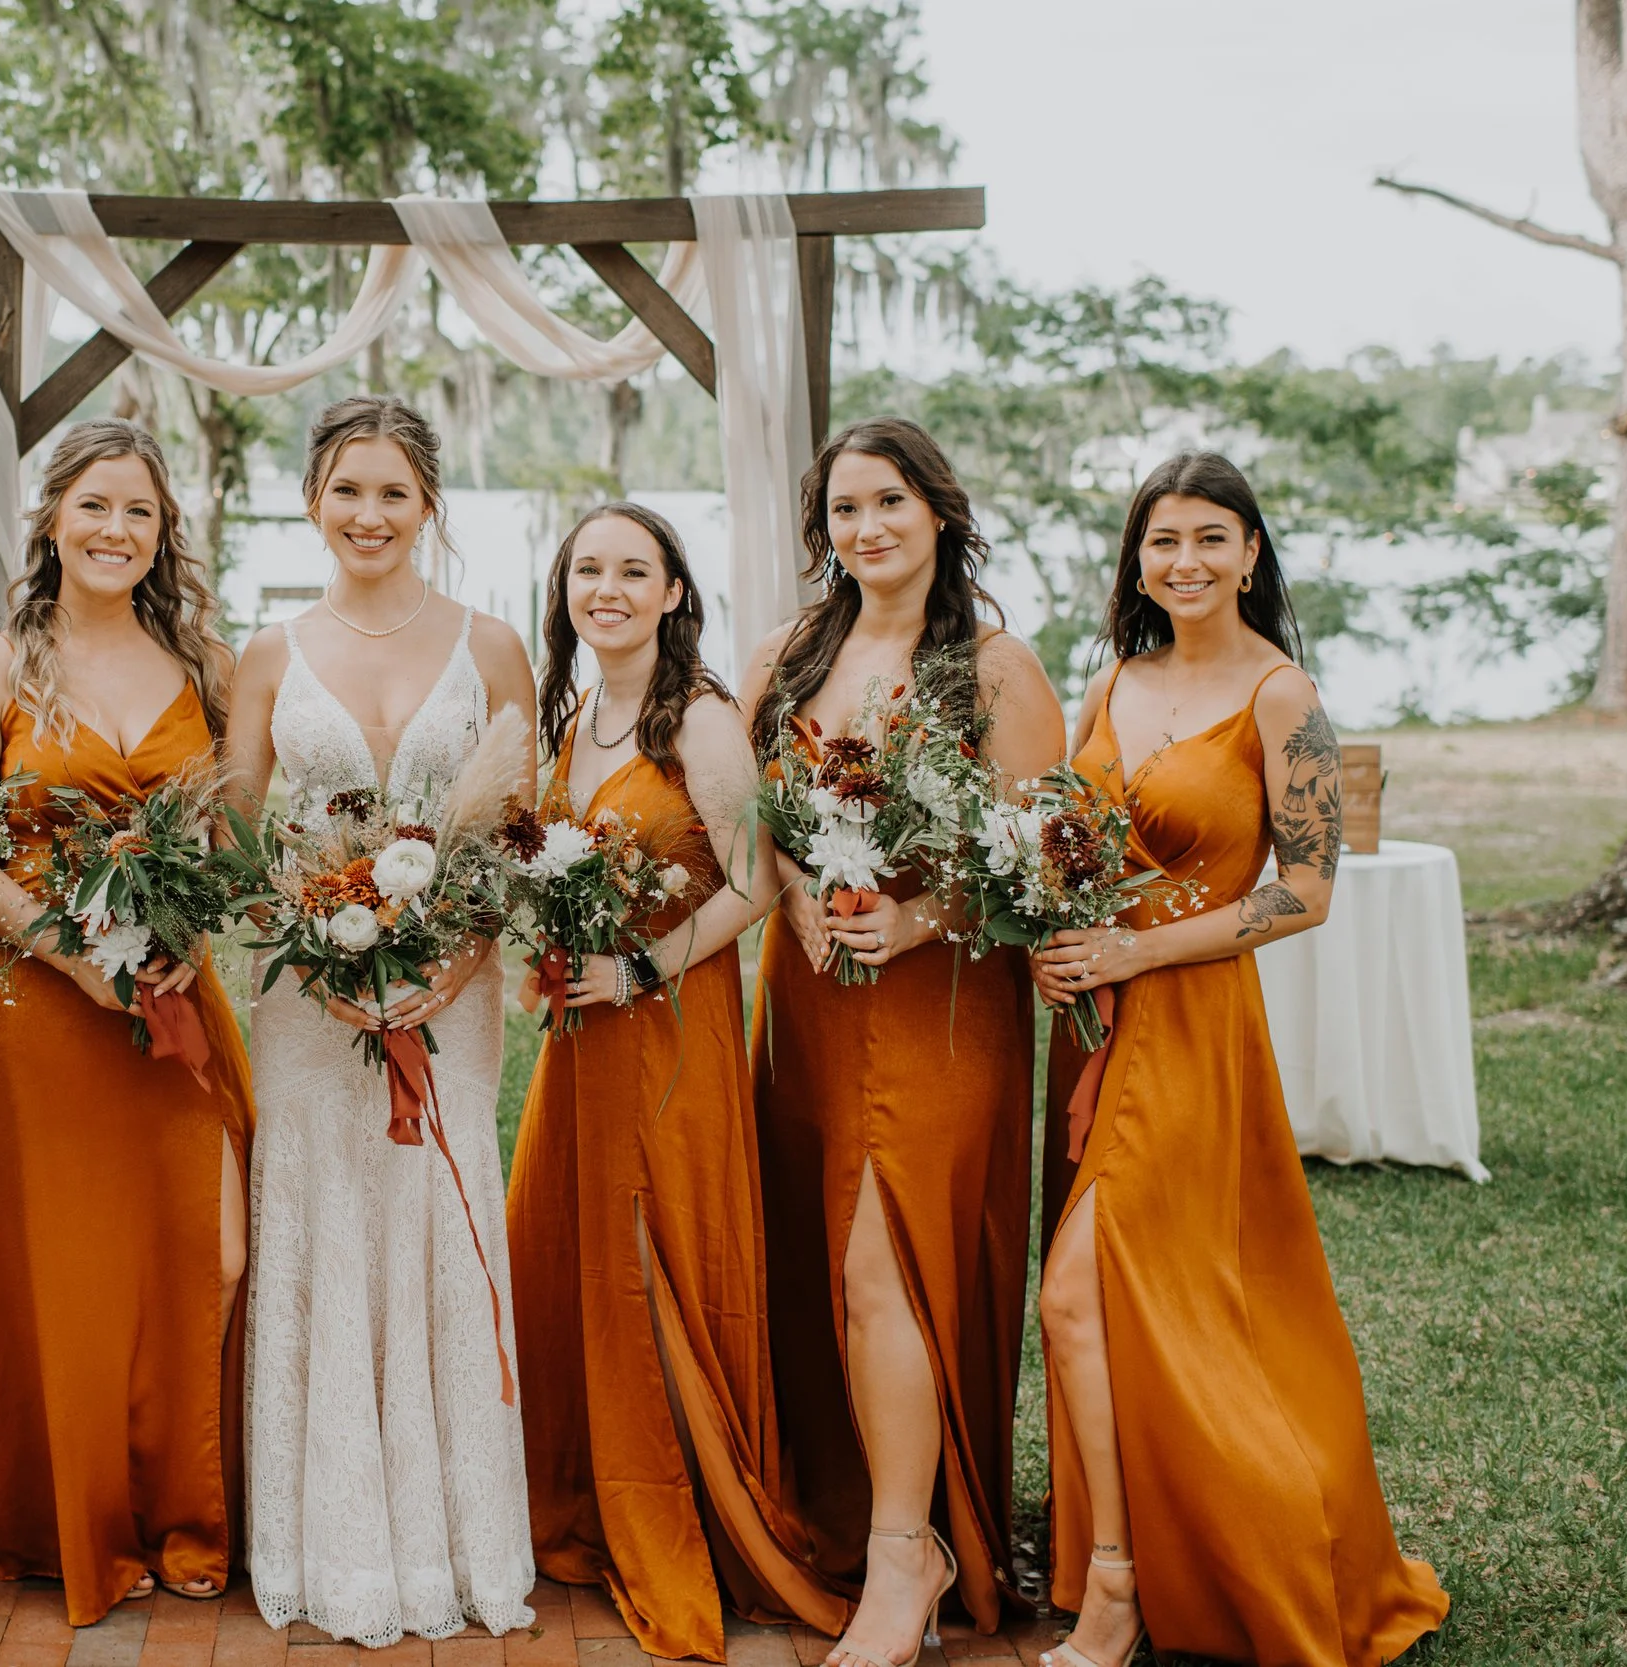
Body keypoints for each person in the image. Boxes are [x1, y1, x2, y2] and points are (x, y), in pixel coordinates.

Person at [1028, 453, 1449, 1667]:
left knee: (1074, 1291)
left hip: (1194, 1025)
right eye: (1163, 540)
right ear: (1137, 559)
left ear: (1252, 553)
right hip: (1096, 1022)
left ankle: (1115, 1586)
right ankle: (1164, 1542)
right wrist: (1059, 936)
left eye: (1212, 537)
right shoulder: (1115, 676)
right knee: (1138, 1301)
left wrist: (1135, 951)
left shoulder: (1280, 695)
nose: (1187, 561)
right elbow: (1068, 839)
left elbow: (1309, 891)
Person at [745, 418, 1065, 1666]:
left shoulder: (993, 667)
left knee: (891, 1260)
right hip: (815, 993)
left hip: (940, 1005)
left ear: (938, 508)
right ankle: (864, 1506)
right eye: (842, 511)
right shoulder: (783, 654)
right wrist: (795, 904)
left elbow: (1036, 860)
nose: (865, 528)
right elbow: (754, 818)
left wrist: (919, 917)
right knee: (827, 1257)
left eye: (887, 502)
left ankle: (905, 1556)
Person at [506, 504, 849, 1661]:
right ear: (565, 591)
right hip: (583, 1036)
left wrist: (640, 963)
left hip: (667, 1031)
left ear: (671, 593)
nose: (605, 587)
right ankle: (592, 1494)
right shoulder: (580, 715)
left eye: (631, 570)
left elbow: (753, 881)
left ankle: (678, 1500)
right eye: (586, 569)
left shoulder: (696, 719)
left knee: (660, 1257)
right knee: (576, 1253)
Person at [0, 420, 254, 1625]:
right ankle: (86, 1520)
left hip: (171, 998)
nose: (117, 531)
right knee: (73, 1272)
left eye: (141, 513)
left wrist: (193, 927)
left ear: (164, 534)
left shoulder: (202, 664)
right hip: (40, 1001)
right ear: (52, 518)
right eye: (97, 506)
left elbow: (227, 832)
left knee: (208, 1252)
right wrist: (69, 953)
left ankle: (190, 1503)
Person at [225, 395, 539, 1647]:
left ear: (428, 507)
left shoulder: (492, 645)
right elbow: (242, 843)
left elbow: (519, 837)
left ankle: (459, 1537)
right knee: (324, 1220)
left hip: (447, 999)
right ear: (313, 498)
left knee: (433, 1223)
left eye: (393, 492)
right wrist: (318, 949)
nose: (369, 514)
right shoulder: (267, 653)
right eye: (346, 489)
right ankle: (328, 1534)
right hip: (307, 1003)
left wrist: (452, 969)